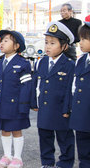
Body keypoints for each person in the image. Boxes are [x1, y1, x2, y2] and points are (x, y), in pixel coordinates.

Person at [32, 21, 75, 168]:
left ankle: (66, 162)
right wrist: (34, 102)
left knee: (65, 138)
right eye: (46, 43)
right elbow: (36, 83)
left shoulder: (69, 65)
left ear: (64, 46)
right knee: (45, 137)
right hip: (44, 107)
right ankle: (47, 162)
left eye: (52, 43)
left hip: (61, 109)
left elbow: (70, 88)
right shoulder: (42, 62)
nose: (48, 47)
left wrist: (67, 108)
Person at [0, 30, 31, 168]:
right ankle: (7, 156)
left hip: (16, 104)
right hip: (1, 103)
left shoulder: (23, 63)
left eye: (6, 41)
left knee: (16, 129)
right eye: (2, 40)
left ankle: (17, 158)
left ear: (16, 46)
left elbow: (26, 87)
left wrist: (23, 105)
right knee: (4, 129)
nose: (2, 43)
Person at [69, 21, 90, 168]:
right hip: (82, 114)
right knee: (83, 147)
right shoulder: (82, 60)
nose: (80, 42)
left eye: (84, 39)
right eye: (80, 39)